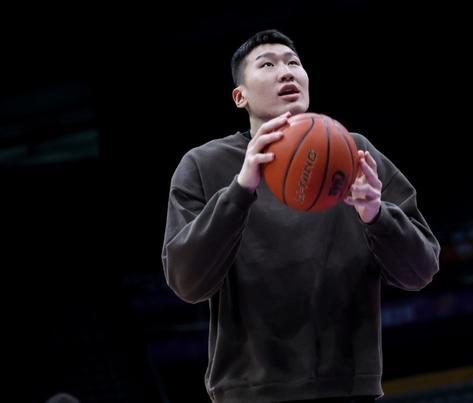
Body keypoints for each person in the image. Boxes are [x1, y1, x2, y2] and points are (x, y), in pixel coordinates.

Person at [161, 29, 440, 403]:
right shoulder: (203, 164)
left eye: (293, 62)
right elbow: (186, 282)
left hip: (349, 390)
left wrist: (375, 214)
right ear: (240, 96)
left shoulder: (355, 155)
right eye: (267, 65)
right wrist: (240, 191)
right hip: (250, 394)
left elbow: (421, 271)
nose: (286, 72)